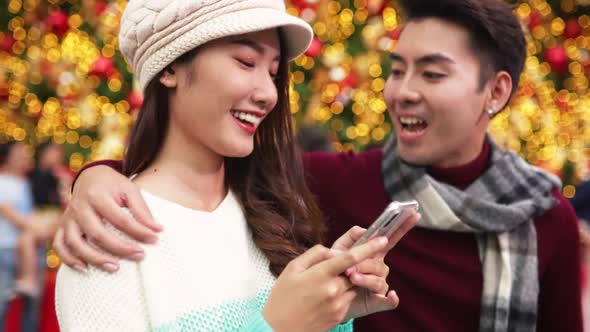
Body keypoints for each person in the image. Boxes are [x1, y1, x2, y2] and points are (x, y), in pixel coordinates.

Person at [52, 0, 583, 331]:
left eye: (433, 74)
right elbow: (186, 167)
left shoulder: (544, 220)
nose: (403, 92)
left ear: (496, 91)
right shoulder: (323, 185)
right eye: (397, 70)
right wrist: (99, 179)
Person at [53, 1, 419, 331]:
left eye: (274, 72)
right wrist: (277, 326)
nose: (268, 93)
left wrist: (331, 310)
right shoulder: (107, 237)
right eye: (246, 62)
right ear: (170, 68)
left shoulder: (279, 211)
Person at [0, 141, 48, 332]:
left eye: (25, 153)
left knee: (32, 307)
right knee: (2, 303)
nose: (24, 157)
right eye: (19, 153)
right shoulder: (2, 182)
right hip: (6, 250)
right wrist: (41, 227)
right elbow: (11, 213)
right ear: (7, 156)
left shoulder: (30, 182)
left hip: (34, 250)